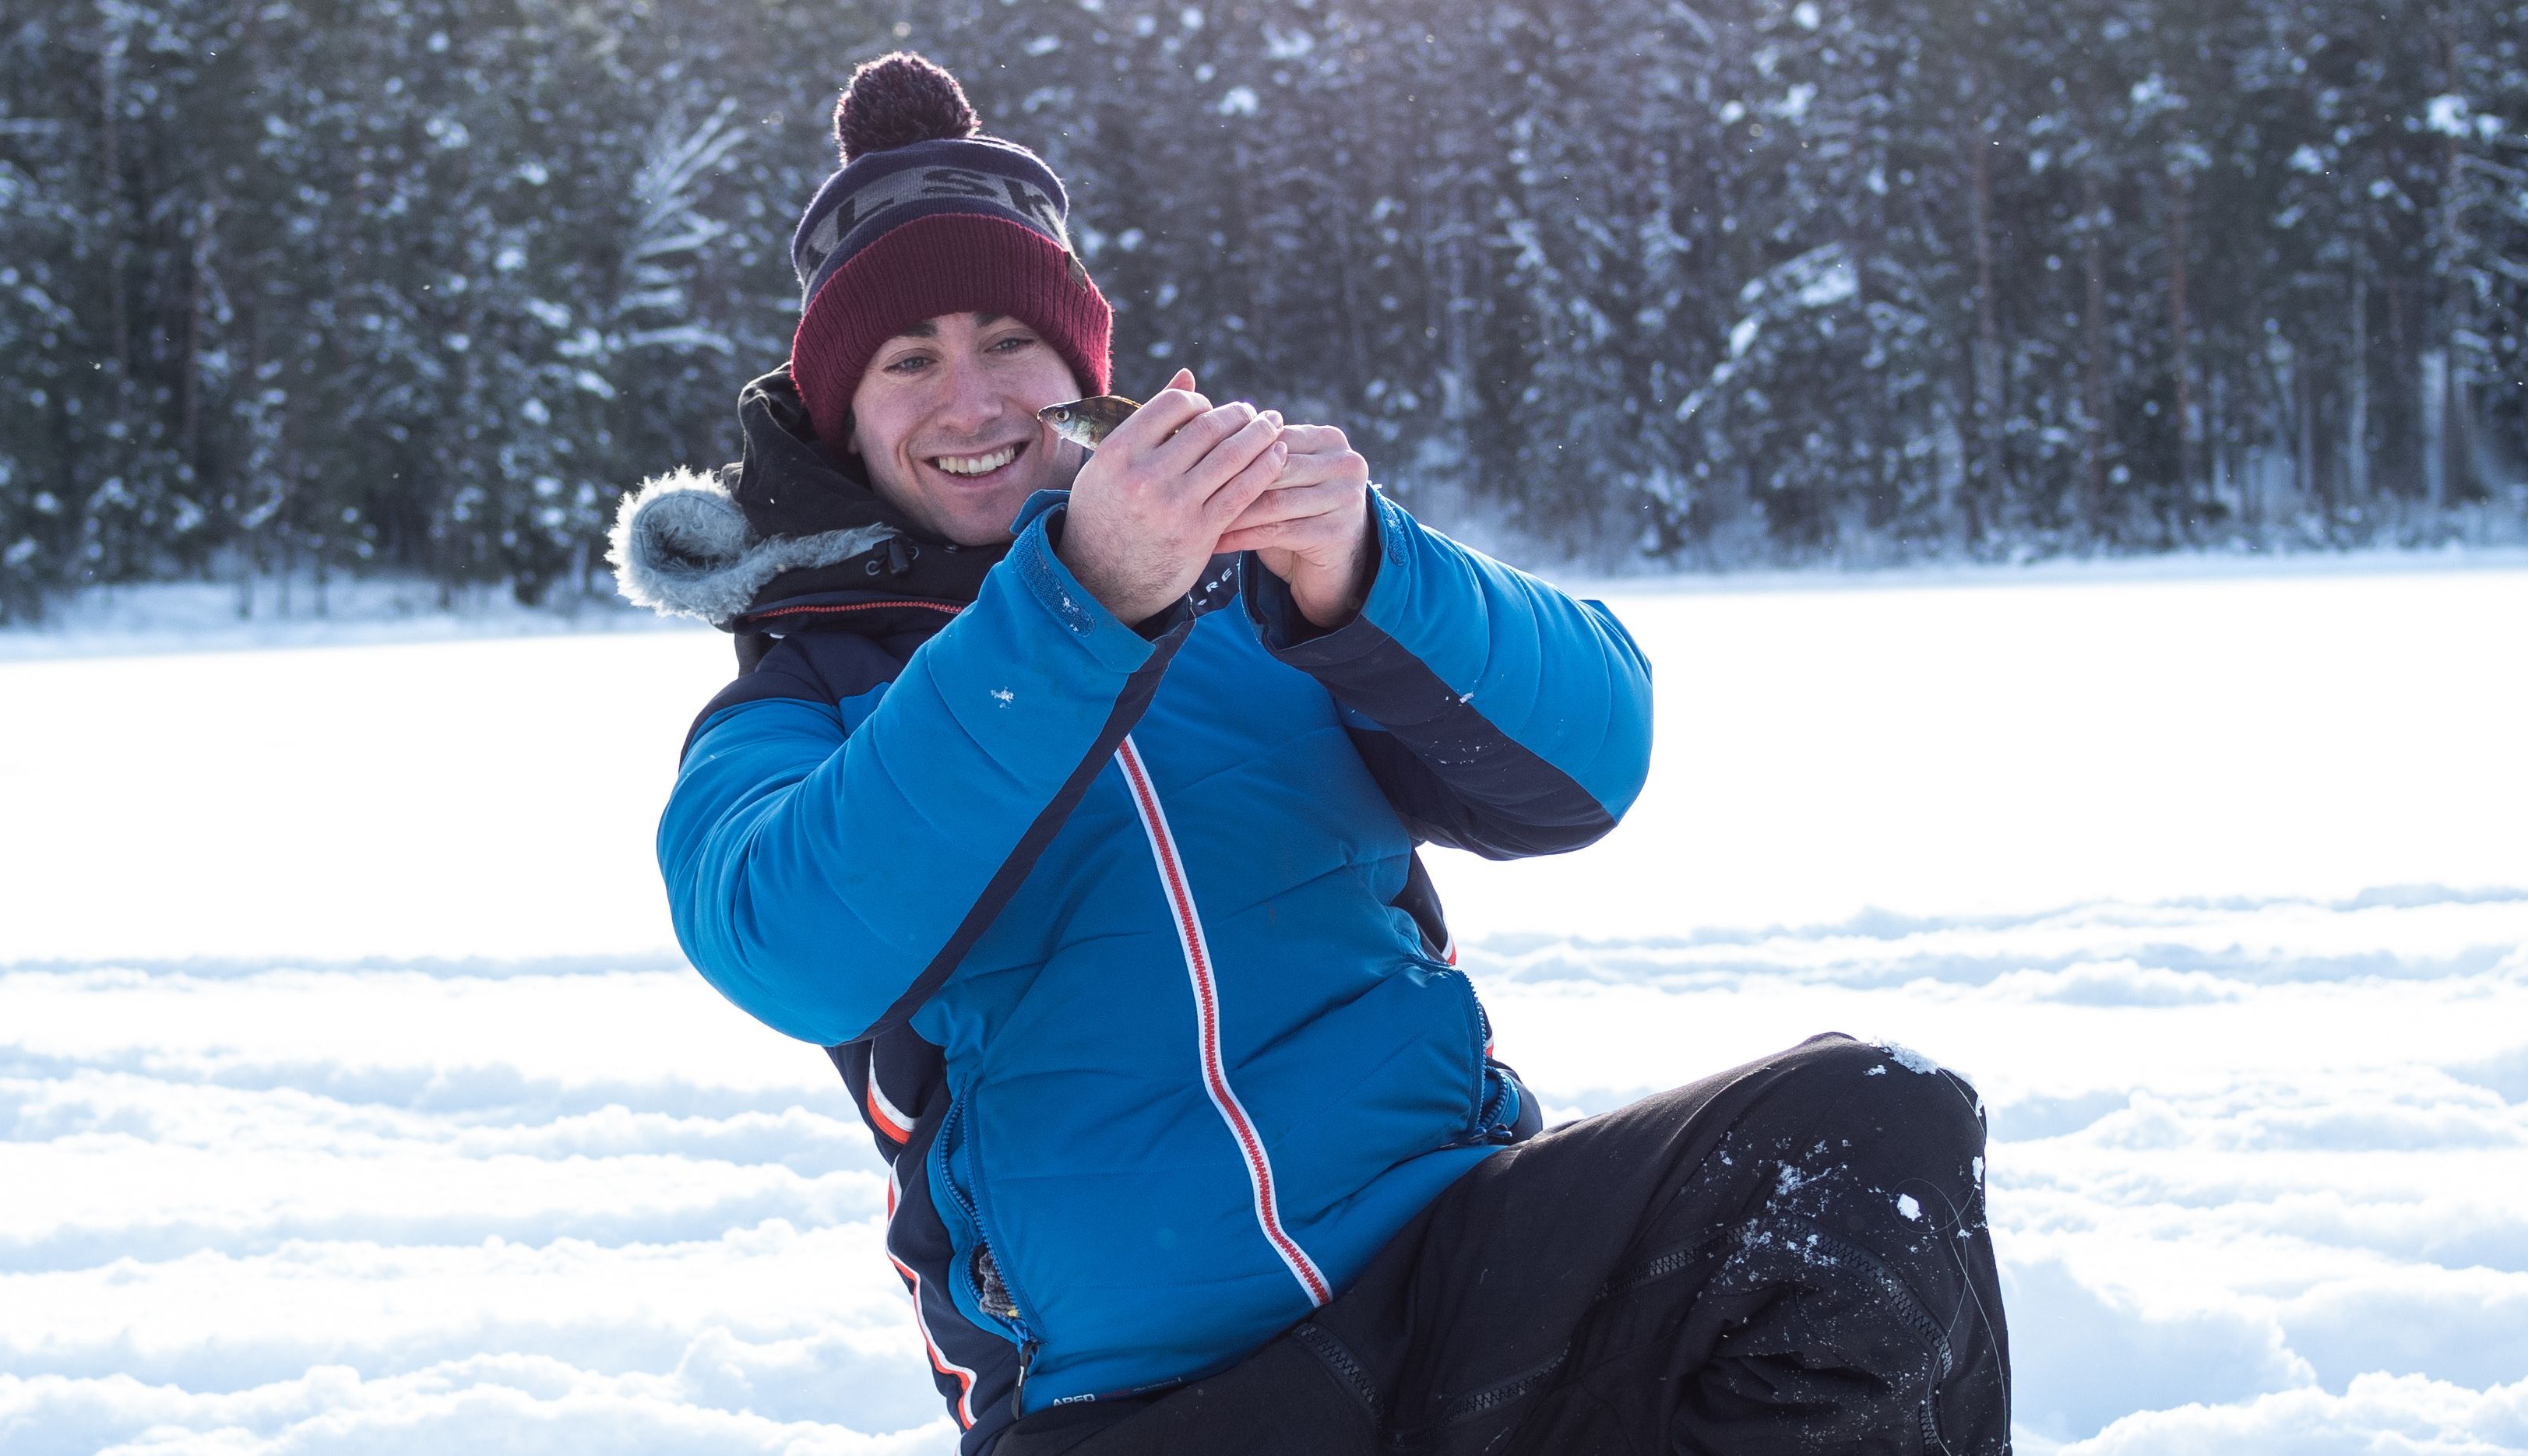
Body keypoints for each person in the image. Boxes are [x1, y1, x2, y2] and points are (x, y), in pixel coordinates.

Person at [613, 52, 2010, 1456]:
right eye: (906, 360)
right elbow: (788, 942)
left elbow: (1596, 762)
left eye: (1006, 344)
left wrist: (1368, 567)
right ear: (845, 416)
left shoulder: (1265, 600)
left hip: (1470, 1274)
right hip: (1144, 1399)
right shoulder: (797, 704)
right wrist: (1080, 603)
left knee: (1864, 1134)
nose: (968, 400)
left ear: (1081, 371)